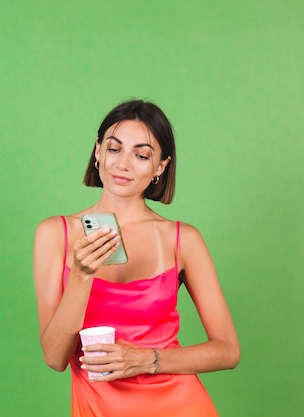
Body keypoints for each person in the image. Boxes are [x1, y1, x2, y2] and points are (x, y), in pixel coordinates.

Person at [33, 99, 240, 417]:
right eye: (114, 149)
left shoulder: (182, 239)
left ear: (160, 167)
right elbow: (55, 358)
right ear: (98, 150)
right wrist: (81, 275)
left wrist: (146, 359)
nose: (123, 164)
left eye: (141, 155)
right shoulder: (55, 234)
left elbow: (228, 351)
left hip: (180, 406)